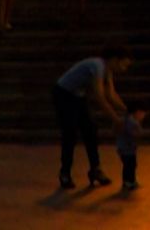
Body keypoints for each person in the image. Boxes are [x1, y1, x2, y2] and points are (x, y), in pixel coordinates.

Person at [52, 44, 132, 190]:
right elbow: (100, 97)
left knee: (90, 130)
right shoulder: (98, 66)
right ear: (114, 60)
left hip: (78, 95)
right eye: (123, 65)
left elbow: (111, 95)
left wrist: (128, 111)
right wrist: (115, 119)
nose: (124, 69)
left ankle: (95, 169)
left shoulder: (106, 70)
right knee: (70, 133)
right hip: (64, 94)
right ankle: (65, 173)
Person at [115, 108, 145, 192]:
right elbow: (133, 133)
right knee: (129, 165)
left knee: (131, 165)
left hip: (127, 148)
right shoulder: (130, 122)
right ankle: (128, 181)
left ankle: (131, 180)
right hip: (127, 148)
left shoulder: (127, 120)